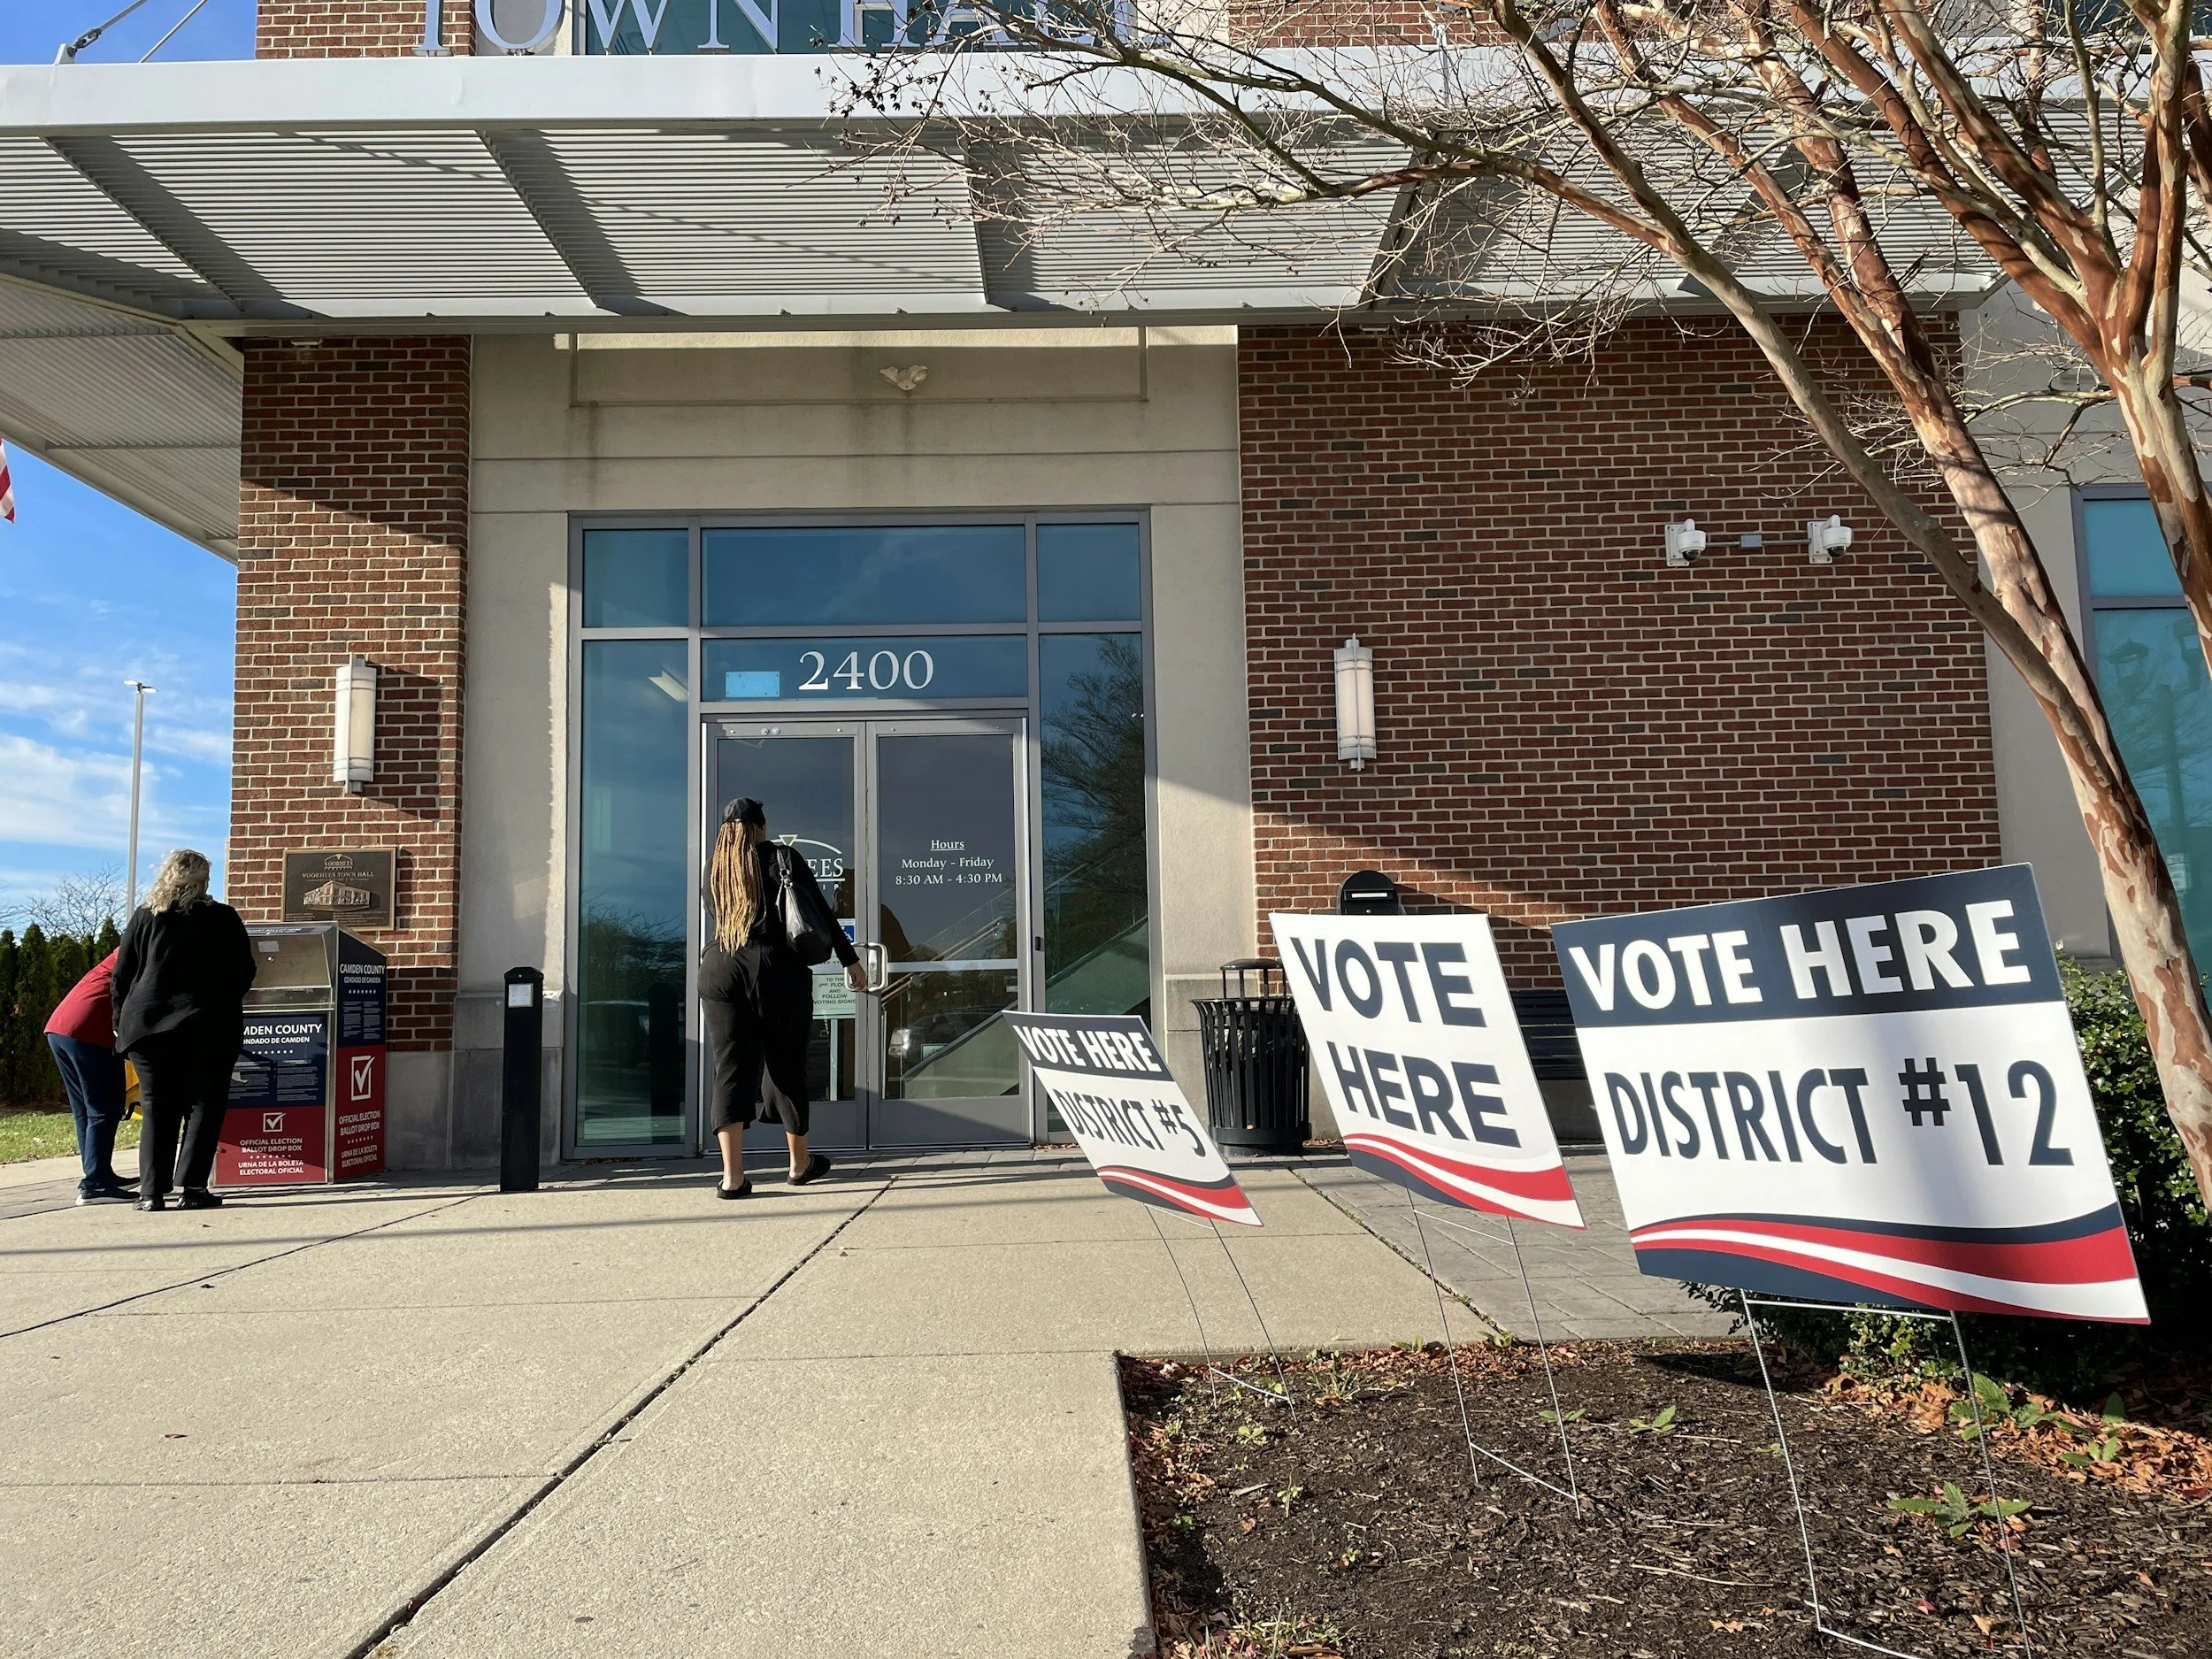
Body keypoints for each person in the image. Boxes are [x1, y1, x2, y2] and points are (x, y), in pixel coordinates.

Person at [701, 796, 868, 1199]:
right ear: (760, 826)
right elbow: (819, 914)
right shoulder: (782, 858)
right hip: (775, 968)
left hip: (720, 966)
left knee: (731, 1069)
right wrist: (851, 960)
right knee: (785, 1063)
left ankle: (732, 1178)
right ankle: (799, 1165)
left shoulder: (715, 870)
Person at [111, 849, 256, 1213]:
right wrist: (222, 1001)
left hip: (148, 1026)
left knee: (158, 1107)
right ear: (205, 879)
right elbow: (245, 971)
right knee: (204, 1104)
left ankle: (151, 1194)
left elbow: (122, 974)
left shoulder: (145, 916)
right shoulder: (222, 918)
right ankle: (193, 1189)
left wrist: (120, 1022)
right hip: (208, 1023)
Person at [45, 949, 134, 1205]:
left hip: (61, 1028)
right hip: (89, 1031)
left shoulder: (128, 948)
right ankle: (95, 1184)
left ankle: (99, 1174)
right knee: (104, 1107)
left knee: (85, 1110)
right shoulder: (145, 948)